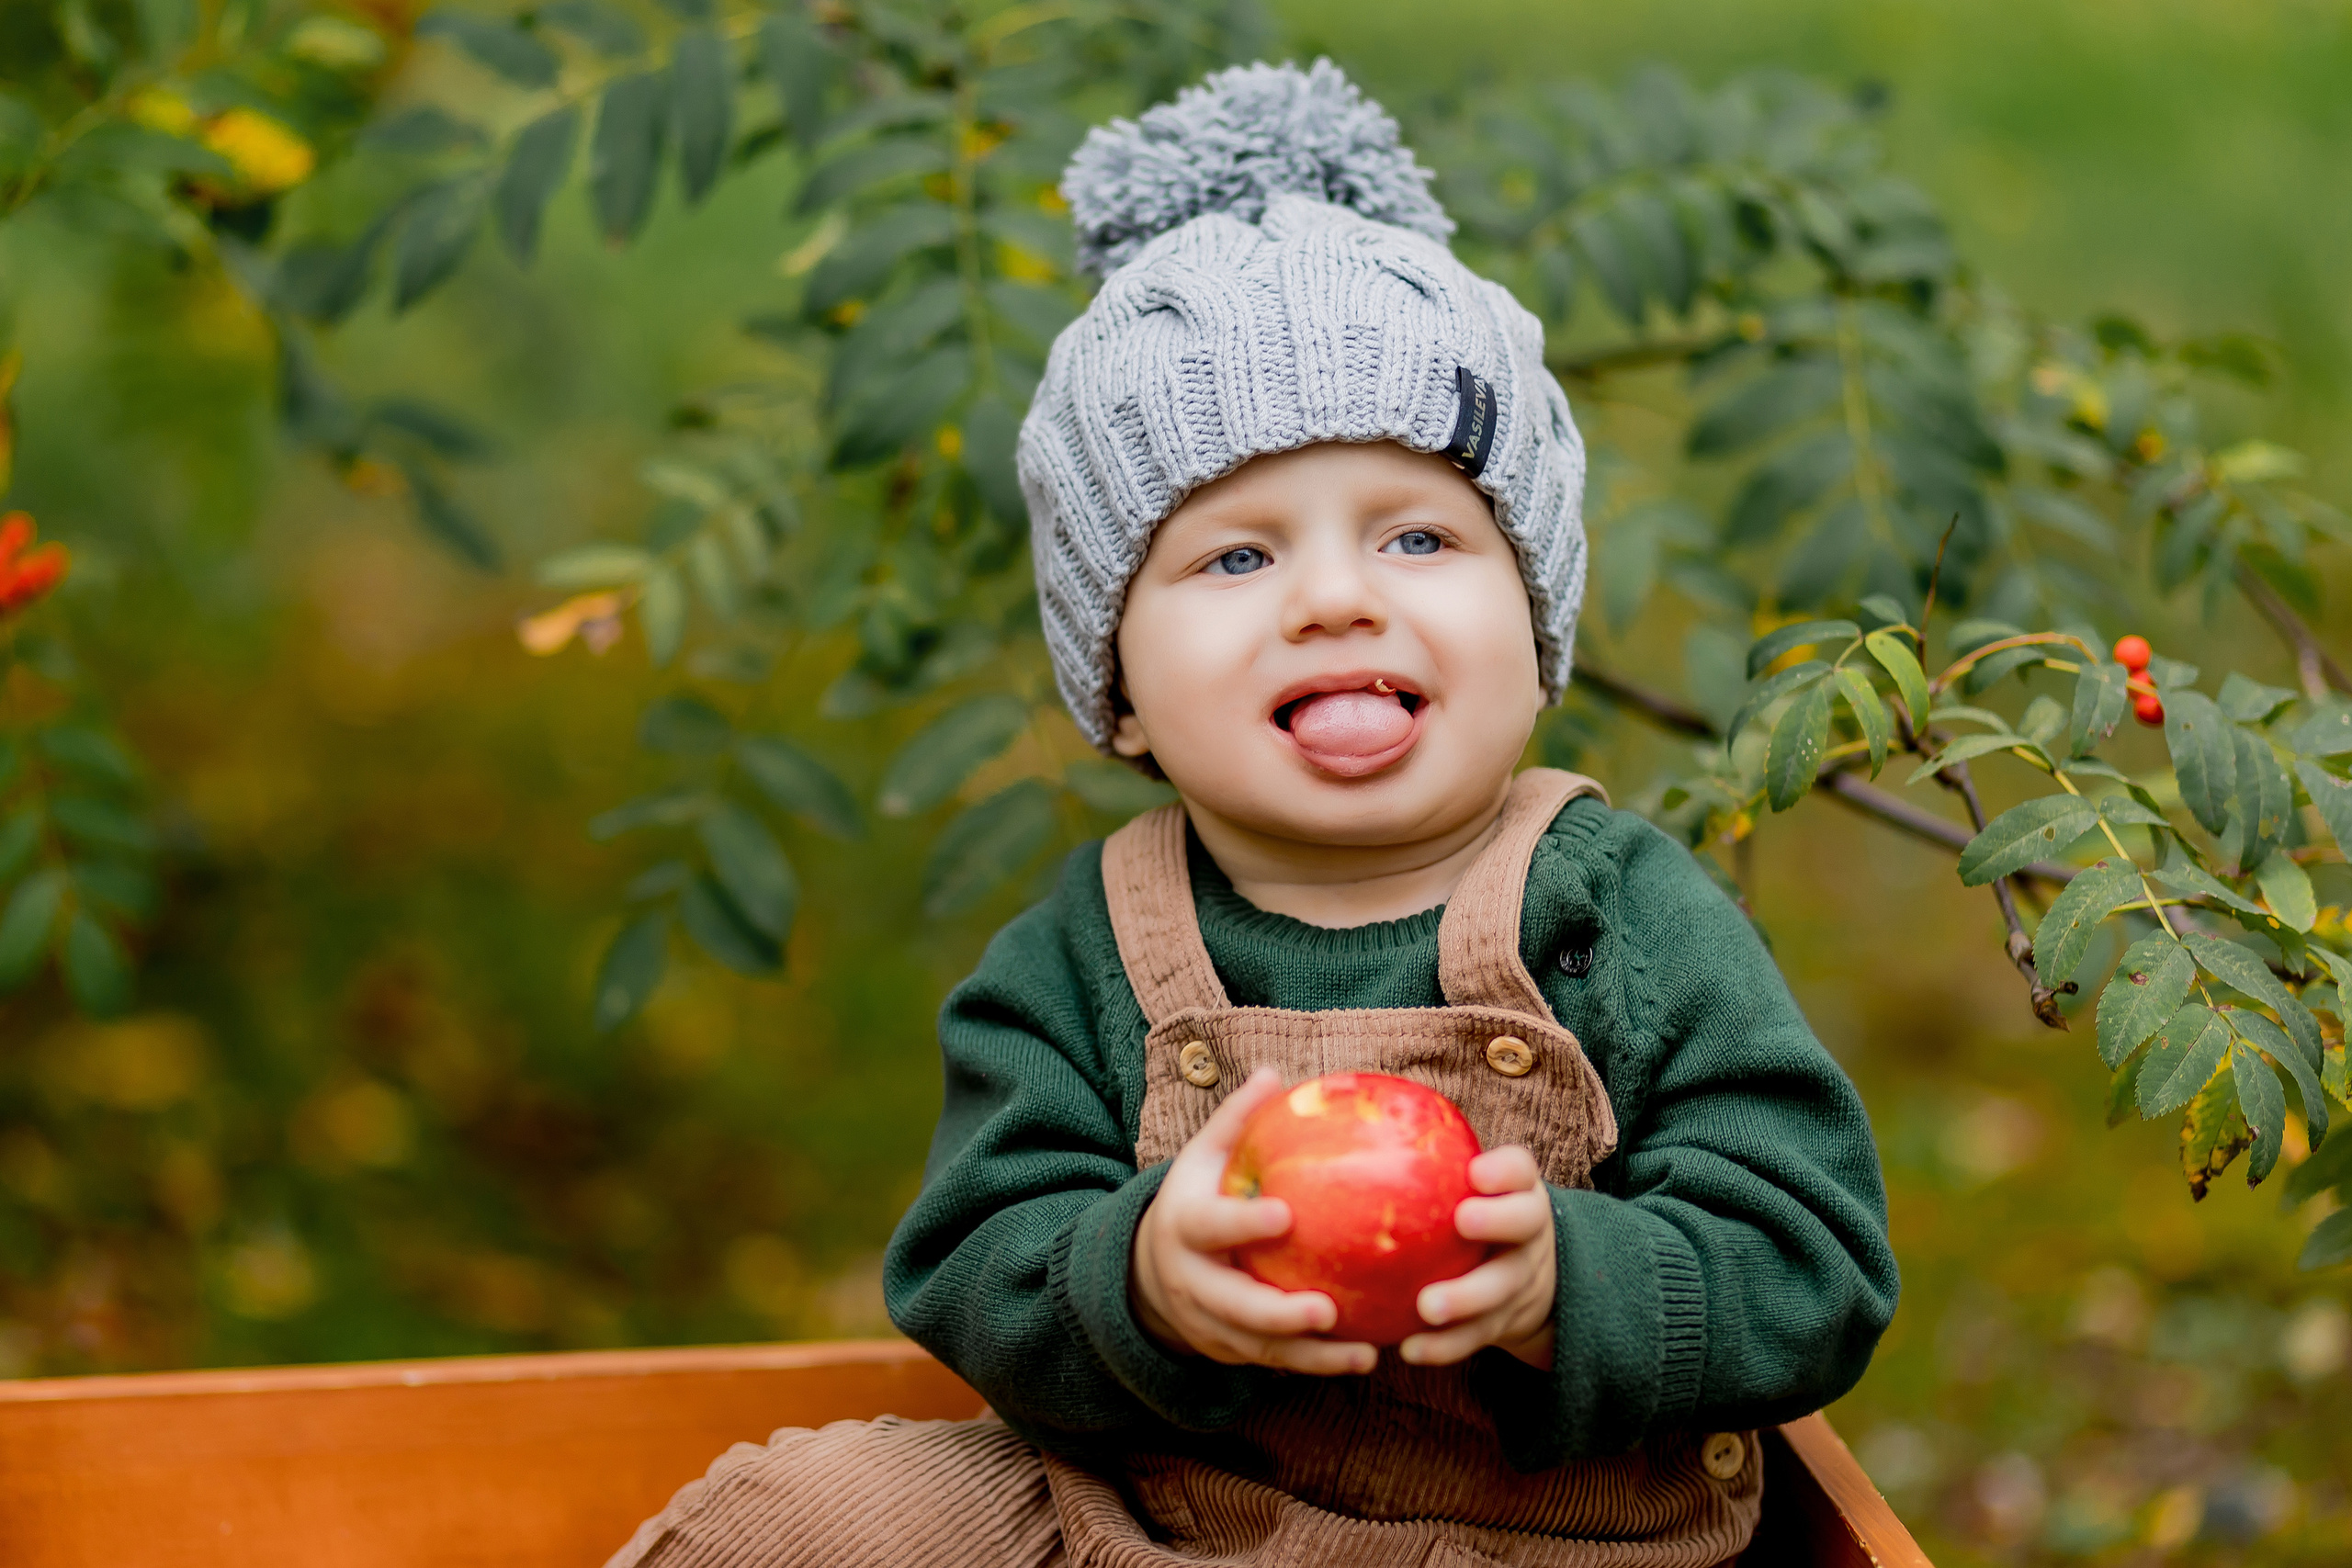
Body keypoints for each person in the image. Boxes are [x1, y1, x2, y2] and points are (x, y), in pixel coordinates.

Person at [608, 59, 1897, 1568]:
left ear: (1535, 624)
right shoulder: (1085, 952)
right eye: (1236, 560)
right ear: (1122, 686)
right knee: (802, 1525)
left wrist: (1572, 1284)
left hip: (1552, 1549)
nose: (1338, 599)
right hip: (1157, 1532)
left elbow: (1813, 1262)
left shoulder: (1617, 918)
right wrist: (1140, 1277)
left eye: (1420, 535)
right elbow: (973, 1262)